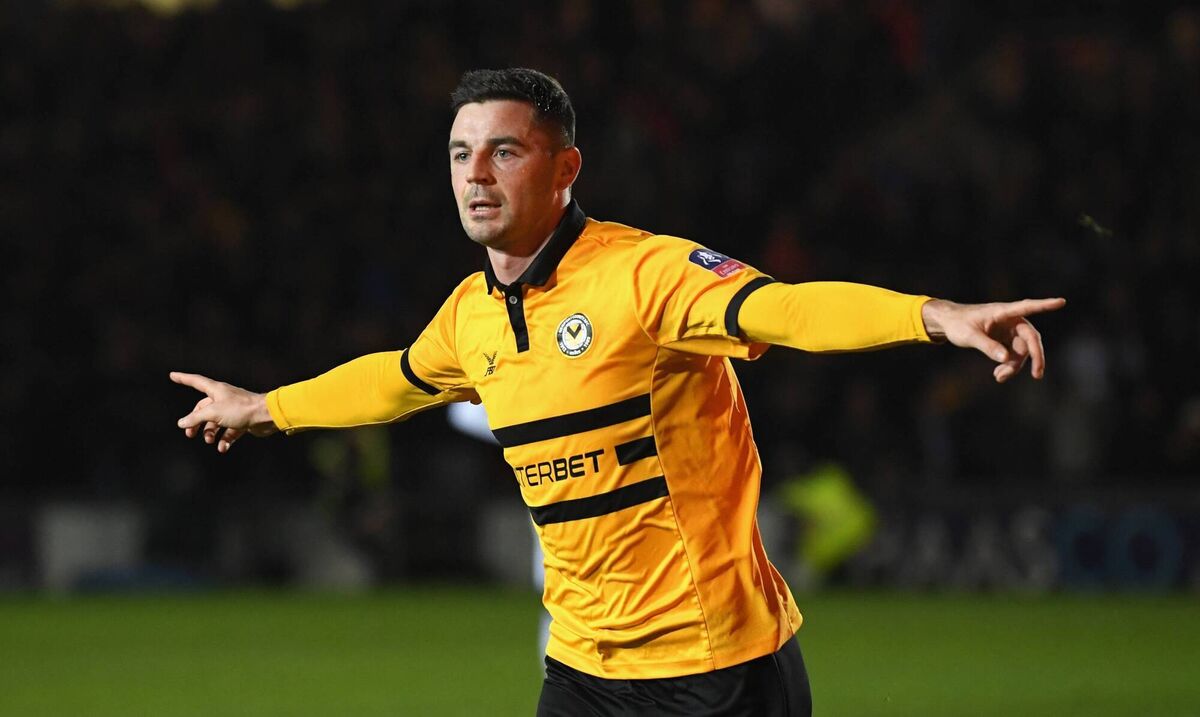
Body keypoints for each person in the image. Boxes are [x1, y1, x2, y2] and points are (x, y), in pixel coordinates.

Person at [171, 68, 1064, 716]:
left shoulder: (644, 274)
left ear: (565, 170)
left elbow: (787, 310)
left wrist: (935, 315)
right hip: (583, 668)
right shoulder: (470, 315)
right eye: (459, 154)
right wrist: (265, 407)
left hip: (716, 666)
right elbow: (396, 380)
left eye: (504, 151)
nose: (475, 174)